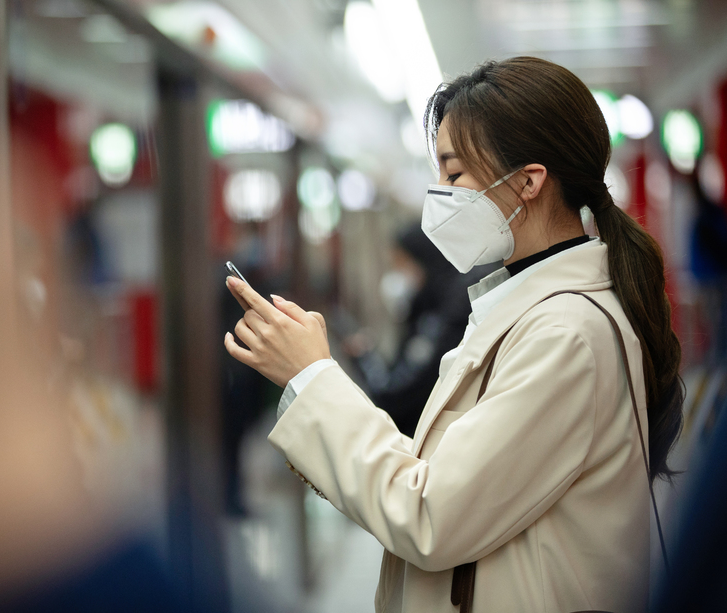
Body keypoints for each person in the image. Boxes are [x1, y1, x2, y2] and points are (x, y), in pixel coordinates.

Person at [223, 56, 684, 613]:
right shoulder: (525, 311)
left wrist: (313, 376)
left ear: (528, 182)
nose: (439, 193)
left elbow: (431, 514)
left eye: (455, 173)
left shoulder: (566, 335)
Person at [348, 226, 494, 437]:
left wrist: (365, 359)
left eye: (401, 263)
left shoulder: (447, 318)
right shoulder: (425, 310)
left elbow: (397, 396)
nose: (397, 275)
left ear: (424, 260)